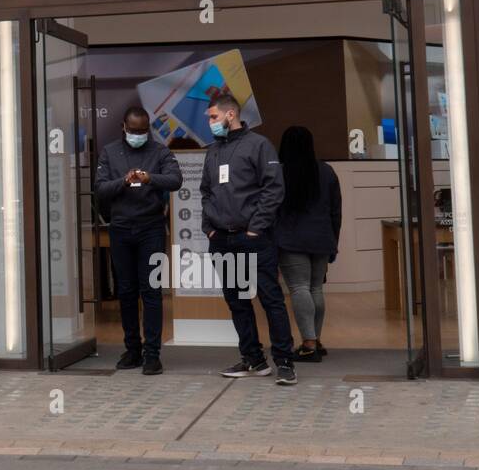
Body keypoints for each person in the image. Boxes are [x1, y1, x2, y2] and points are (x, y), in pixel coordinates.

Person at [199, 92, 295, 385]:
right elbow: (206, 192)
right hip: (222, 239)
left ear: (230, 115)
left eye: (213, 117)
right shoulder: (213, 151)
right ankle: (253, 359)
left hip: (254, 238)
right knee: (237, 301)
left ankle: (285, 361)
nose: (211, 123)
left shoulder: (259, 145)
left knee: (270, 299)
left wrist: (256, 228)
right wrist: (209, 227)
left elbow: (273, 189)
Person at [94, 106, 182, 375]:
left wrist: (149, 178)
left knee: (151, 292)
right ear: (124, 127)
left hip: (151, 230)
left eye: (143, 131)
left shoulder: (159, 151)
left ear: (149, 129)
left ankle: (152, 354)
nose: (138, 135)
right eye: (133, 131)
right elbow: (100, 188)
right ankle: (132, 349)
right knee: (127, 292)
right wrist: (124, 181)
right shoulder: (110, 152)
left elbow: (176, 180)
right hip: (120, 230)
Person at [274, 126, 342, 362]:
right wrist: (333, 242)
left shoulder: (280, 173)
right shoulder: (327, 171)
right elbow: (336, 212)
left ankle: (308, 343)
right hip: (322, 239)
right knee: (316, 288)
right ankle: (316, 339)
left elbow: (272, 210)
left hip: (291, 240)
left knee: (299, 288)